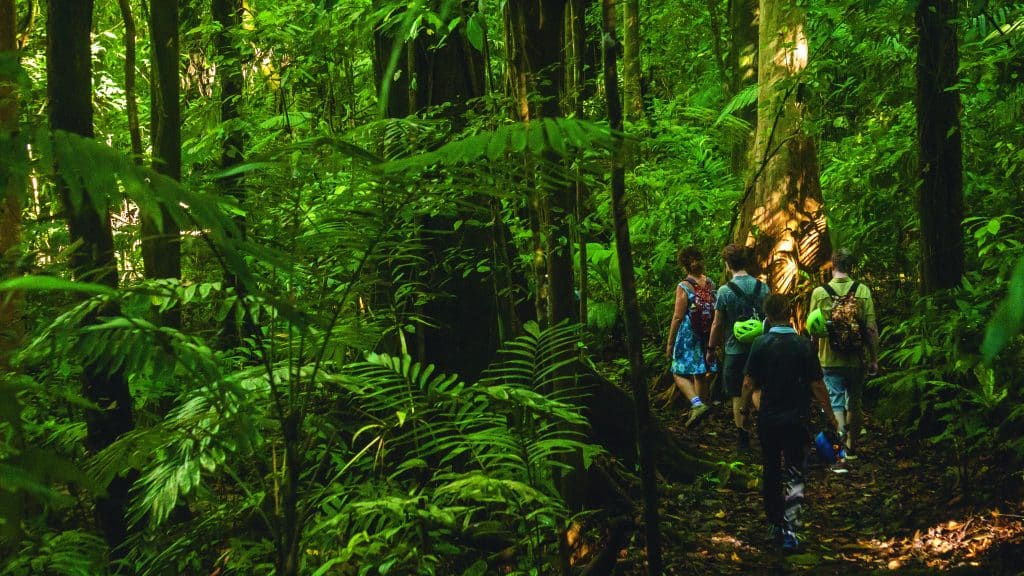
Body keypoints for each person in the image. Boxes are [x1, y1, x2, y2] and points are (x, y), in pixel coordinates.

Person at [742, 294, 838, 553]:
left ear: (768, 316)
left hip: (769, 419)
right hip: (797, 419)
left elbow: (749, 382)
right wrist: (829, 414)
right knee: (795, 470)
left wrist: (743, 409)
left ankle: (774, 522)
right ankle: (791, 529)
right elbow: (817, 384)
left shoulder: (760, 344)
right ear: (788, 313)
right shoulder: (803, 345)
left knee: (771, 468)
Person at [808, 248, 879, 457]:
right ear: (851, 266)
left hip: (829, 358)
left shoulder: (820, 293)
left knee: (835, 402)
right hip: (857, 359)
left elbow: (813, 329)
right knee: (854, 402)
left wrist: (812, 353)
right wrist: (874, 358)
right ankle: (852, 447)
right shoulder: (862, 291)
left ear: (833, 265)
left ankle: (839, 453)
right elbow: (870, 328)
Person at [706, 244, 769, 452]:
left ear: (727, 265)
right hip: (760, 347)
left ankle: (742, 436)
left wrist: (711, 348)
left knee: (736, 393)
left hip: (735, 350)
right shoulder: (762, 287)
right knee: (758, 388)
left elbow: (717, 323)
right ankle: (767, 428)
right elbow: (770, 317)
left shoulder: (724, 291)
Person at [665, 246, 718, 427]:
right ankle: (701, 413)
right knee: (700, 372)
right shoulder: (709, 283)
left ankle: (696, 405)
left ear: (684, 266)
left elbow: (678, 316)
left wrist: (670, 343)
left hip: (689, 334)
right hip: (707, 333)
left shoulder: (684, 286)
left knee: (677, 370)